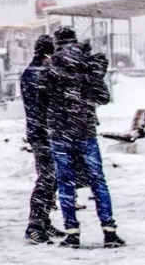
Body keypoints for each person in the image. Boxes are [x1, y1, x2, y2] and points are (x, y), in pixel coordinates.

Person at [45, 27, 125, 248]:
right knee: (98, 180)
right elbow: (103, 97)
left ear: (57, 42)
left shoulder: (50, 66)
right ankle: (109, 231)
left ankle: (72, 233)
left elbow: (43, 98)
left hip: (60, 132)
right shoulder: (87, 64)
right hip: (85, 130)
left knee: (65, 182)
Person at [20, 35, 65, 244]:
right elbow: (44, 104)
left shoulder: (34, 72)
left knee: (50, 177)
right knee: (47, 178)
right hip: (43, 133)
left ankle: (43, 220)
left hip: (42, 132)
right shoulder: (38, 74)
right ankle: (35, 225)